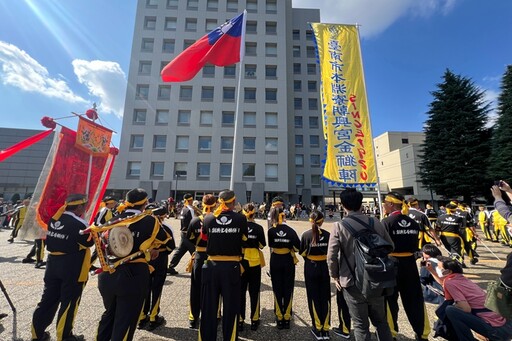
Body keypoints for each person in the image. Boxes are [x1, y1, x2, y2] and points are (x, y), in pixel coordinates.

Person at [96, 188, 168, 341]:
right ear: (145, 203)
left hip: (108, 273)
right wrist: (152, 248)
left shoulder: (112, 219)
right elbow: (164, 239)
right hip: (133, 274)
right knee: (126, 319)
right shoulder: (150, 220)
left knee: (109, 314)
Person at [327, 188, 393, 341]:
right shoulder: (374, 221)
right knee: (381, 322)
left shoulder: (339, 226)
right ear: (361, 204)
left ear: (343, 205)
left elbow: (331, 256)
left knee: (360, 325)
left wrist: (335, 275)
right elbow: (390, 246)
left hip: (351, 280)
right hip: (376, 278)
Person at [31, 194, 93, 341]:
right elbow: (88, 243)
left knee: (47, 300)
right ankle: (64, 336)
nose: (85, 209)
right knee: (69, 301)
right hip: (72, 266)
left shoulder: (55, 219)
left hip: (53, 263)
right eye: (84, 206)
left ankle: (37, 334)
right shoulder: (80, 224)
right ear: (79, 207)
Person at [199, 190, 248, 341]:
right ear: (233, 202)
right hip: (231, 267)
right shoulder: (241, 218)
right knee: (231, 308)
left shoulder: (208, 218)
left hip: (212, 265)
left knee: (209, 308)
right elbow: (244, 239)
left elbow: (204, 237)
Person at [426, 256, 512, 341]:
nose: (437, 268)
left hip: (496, 331)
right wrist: (432, 270)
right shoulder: (460, 278)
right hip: (506, 326)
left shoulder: (450, 283)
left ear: (447, 271)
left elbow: (466, 308)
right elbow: (443, 282)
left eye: (439, 267)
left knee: (450, 310)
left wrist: (456, 304)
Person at [381, 191, 430, 341]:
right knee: (414, 299)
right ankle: (422, 333)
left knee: (389, 300)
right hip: (409, 265)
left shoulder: (386, 223)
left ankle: (391, 333)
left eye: (385, 203)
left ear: (390, 204)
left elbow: (382, 246)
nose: (383, 206)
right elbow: (415, 247)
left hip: (392, 264)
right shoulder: (413, 222)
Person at [138, 205, 175, 331]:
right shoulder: (166, 228)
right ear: (163, 216)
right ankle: (153, 317)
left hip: (146, 260)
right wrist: (160, 251)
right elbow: (171, 246)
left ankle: (142, 317)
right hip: (160, 260)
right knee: (157, 287)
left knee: (144, 288)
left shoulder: (143, 227)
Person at [300, 211, 332, 340]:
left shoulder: (306, 235)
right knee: (325, 297)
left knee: (313, 297)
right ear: (322, 221)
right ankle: (325, 328)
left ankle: (317, 328)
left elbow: (302, 252)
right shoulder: (328, 235)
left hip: (311, 267)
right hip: (324, 267)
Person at [186, 194, 217, 329]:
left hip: (199, 256)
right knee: (214, 288)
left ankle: (193, 316)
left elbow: (189, 238)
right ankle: (214, 314)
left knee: (196, 287)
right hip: (213, 257)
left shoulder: (194, 221)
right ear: (215, 204)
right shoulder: (217, 220)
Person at [267, 204, 300, 329]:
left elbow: (271, 244)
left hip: (275, 259)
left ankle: (279, 317)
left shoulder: (271, 231)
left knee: (277, 287)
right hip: (288, 260)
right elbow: (297, 247)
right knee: (288, 288)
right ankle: (287, 317)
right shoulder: (291, 231)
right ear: (284, 215)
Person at [239, 202, 266, 331]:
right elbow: (261, 245)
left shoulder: (239, 227)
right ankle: (255, 319)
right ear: (254, 213)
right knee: (254, 291)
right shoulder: (258, 228)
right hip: (254, 261)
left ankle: (240, 320)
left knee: (240, 291)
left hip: (241, 261)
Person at [167, 193, 196, 275]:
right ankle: (199, 268)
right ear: (190, 200)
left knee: (180, 251)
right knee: (195, 252)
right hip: (189, 234)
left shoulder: (184, 209)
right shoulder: (191, 210)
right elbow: (193, 222)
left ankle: (171, 266)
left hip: (183, 232)